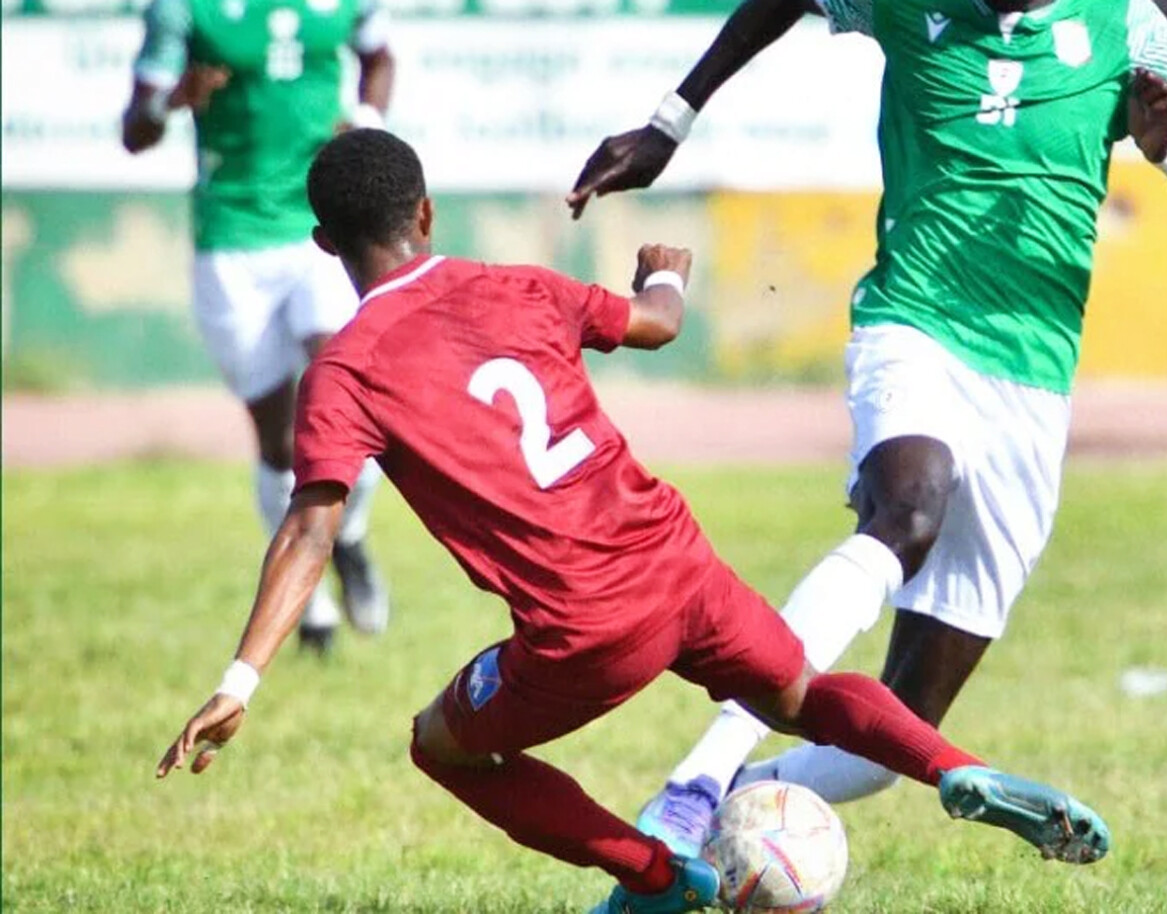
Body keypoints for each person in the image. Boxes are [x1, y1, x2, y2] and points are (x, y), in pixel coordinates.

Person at [154, 129, 1112, 914]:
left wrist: (241, 679)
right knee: (799, 693)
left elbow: (311, 527)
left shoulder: (348, 370)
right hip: (677, 559)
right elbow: (654, 324)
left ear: (325, 243)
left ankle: (656, 877)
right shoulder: (517, 285)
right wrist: (667, 273)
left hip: (584, 626)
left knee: (444, 745)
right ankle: (951, 766)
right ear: (425, 214)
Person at [567, 0, 1167, 854]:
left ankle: (721, 818)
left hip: (1033, 381)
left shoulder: (1130, 28)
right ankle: (700, 774)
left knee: (885, 747)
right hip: (912, 321)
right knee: (908, 512)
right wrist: (671, 123)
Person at [122, 0, 398, 651]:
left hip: (319, 231)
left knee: (346, 401)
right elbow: (135, 128)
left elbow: (379, 55)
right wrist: (170, 103)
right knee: (279, 441)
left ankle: (349, 536)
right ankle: (312, 600)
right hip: (231, 236)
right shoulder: (186, 11)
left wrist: (363, 123)